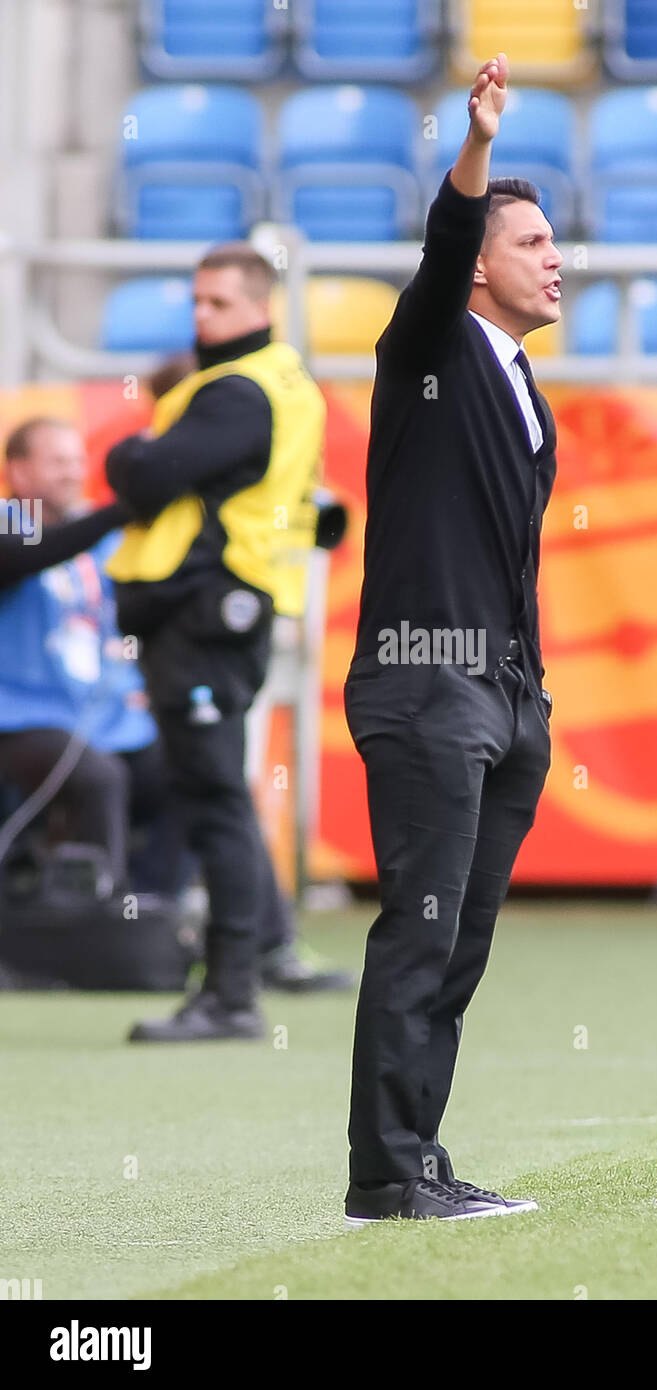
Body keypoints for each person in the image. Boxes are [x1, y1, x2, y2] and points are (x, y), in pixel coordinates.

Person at [343, 53, 562, 1226]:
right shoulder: (429, 344)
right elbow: (440, 248)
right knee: (421, 934)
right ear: (478, 260)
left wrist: (530, 697)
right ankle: (384, 1172)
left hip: (500, 696)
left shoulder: (530, 391)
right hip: (428, 683)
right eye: (531, 244)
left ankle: (416, 1158)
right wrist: (476, 147)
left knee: (456, 948)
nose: (555, 259)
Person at [105, 243, 352, 1043]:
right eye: (197, 301)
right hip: (229, 615)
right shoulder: (280, 382)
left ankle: (233, 993)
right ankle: (253, 965)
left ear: (259, 306)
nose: (201, 316)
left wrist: (132, 452)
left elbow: (144, 476)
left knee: (214, 800)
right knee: (220, 798)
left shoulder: (236, 390)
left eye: (217, 303)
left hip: (207, 618)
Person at [0, 417, 182, 900]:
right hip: (21, 716)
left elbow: (144, 605)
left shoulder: (99, 542)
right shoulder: (8, 521)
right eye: (57, 461)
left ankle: (153, 908)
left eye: (78, 460)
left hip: (104, 715)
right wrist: (120, 511)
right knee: (101, 778)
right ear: (18, 472)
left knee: (192, 768)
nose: (72, 471)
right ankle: (102, 918)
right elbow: (26, 555)